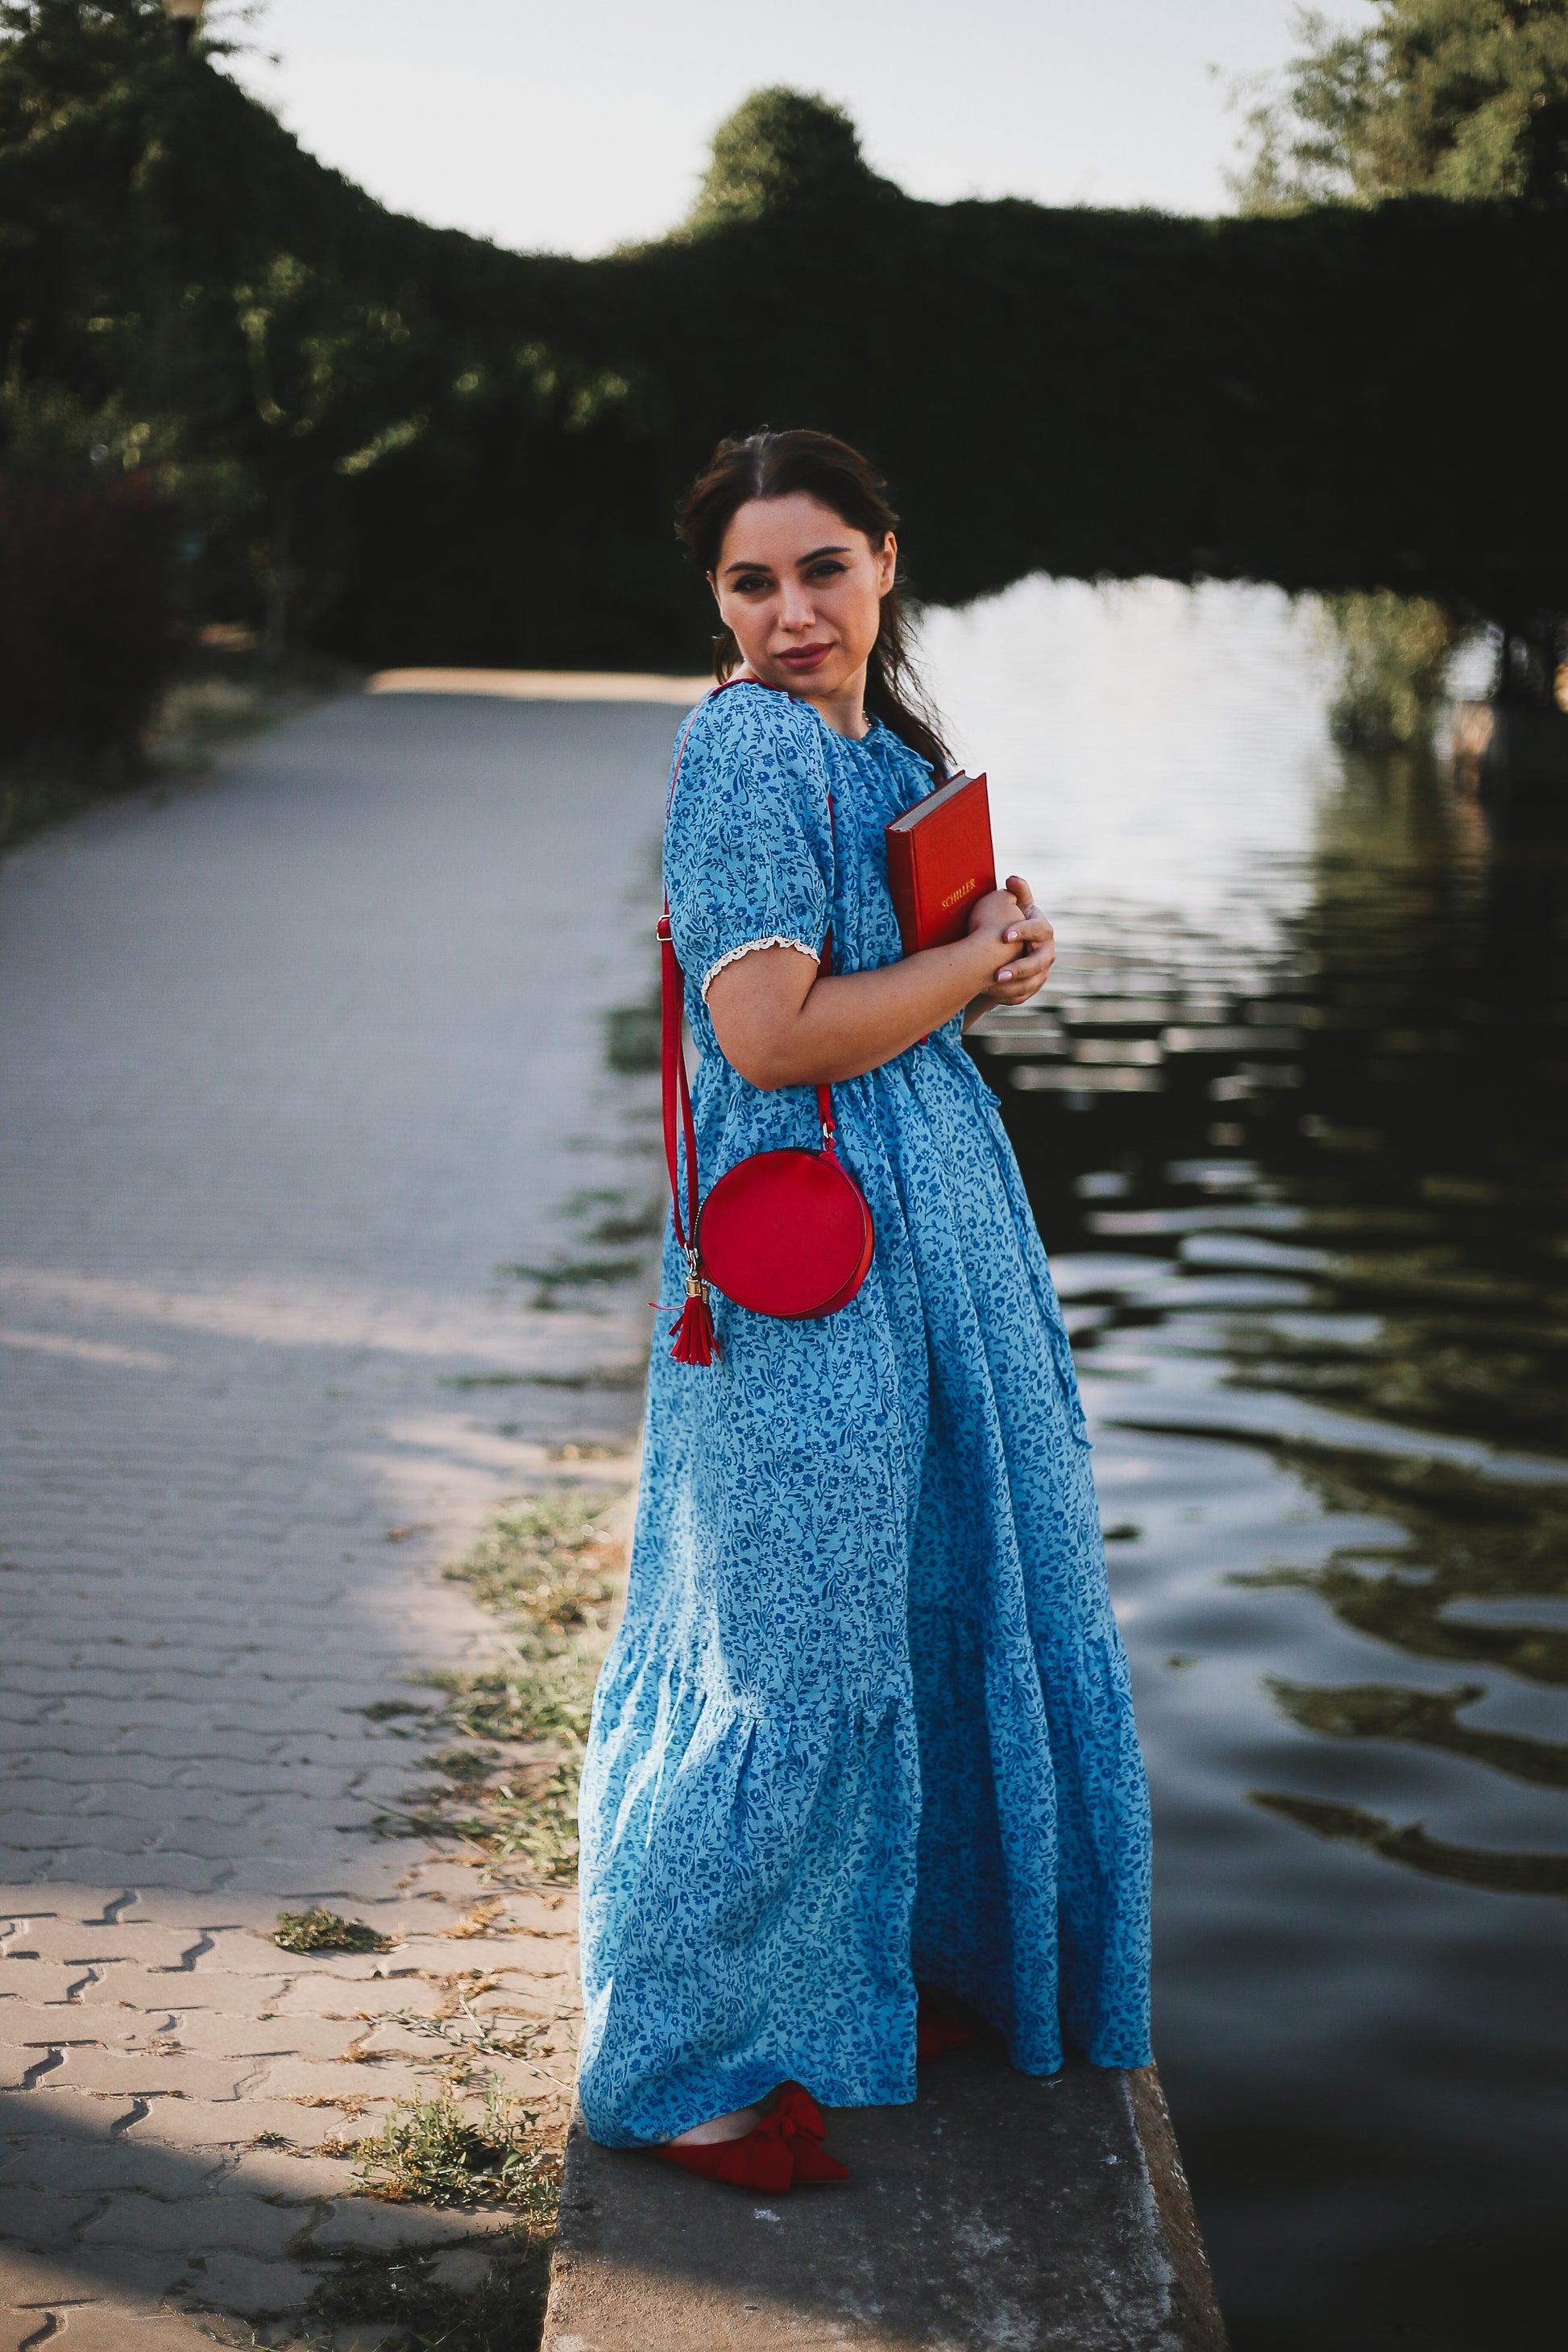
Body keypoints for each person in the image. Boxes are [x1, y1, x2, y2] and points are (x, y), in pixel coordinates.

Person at [577, 429, 1151, 2189]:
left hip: (920, 1229)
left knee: (918, 1584)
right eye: (751, 579)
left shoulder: (884, 752)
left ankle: (885, 1958)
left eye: (821, 567)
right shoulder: (744, 743)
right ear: (718, 599)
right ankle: (672, 2062)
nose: (790, 610)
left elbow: (886, 991)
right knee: (798, 1631)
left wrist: (1001, 950)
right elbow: (768, 1036)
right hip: (809, 1251)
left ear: (886, 561)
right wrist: (966, 970)